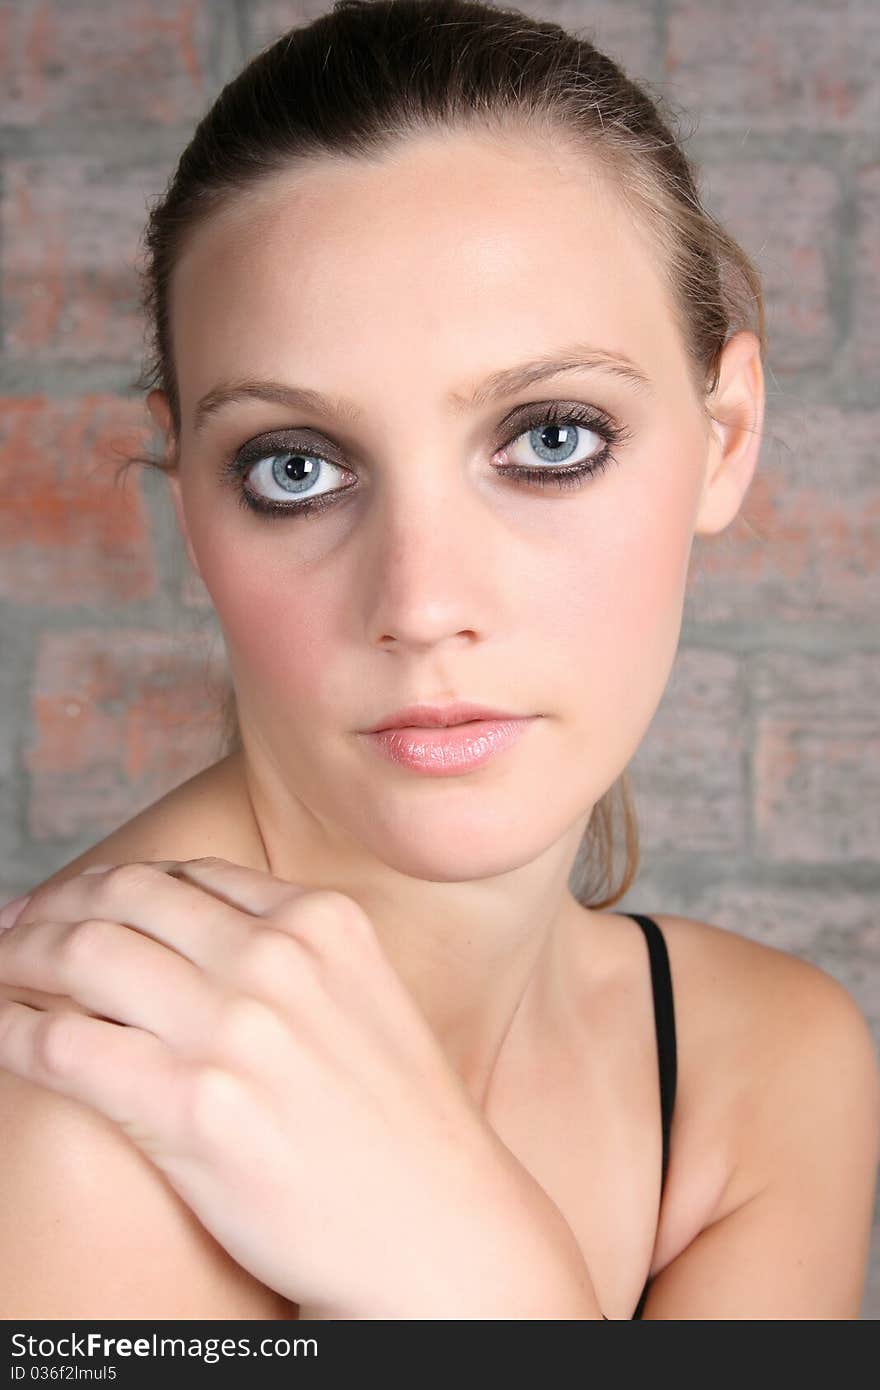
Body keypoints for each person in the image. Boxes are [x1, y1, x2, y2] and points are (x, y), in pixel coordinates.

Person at [0, 0, 877, 1321]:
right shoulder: (66, 1126)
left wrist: (471, 1266)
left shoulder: (770, 1064)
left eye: (551, 438)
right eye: (296, 466)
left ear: (725, 434)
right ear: (188, 488)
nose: (423, 601)